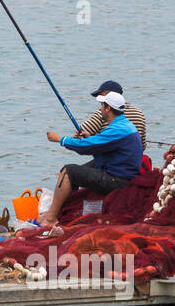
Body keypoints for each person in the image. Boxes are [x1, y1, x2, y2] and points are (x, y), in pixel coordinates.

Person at [39, 91, 143, 225]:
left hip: (119, 180)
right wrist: (90, 137)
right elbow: (101, 144)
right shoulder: (124, 125)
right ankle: (60, 211)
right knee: (78, 172)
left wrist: (60, 139)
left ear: (108, 108)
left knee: (68, 171)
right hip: (120, 172)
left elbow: (85, 148)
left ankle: (51, 218)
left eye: (102, 106)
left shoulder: (118, 130)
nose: (100, 109)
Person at [77, 79, 146, 147]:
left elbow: (80, 133)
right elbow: (142, 145)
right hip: (135, 157)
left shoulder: (102, 113)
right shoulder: (139, 113)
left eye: (101, 95)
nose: (99, 100)